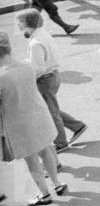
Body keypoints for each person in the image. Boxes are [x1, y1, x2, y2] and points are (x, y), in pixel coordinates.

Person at [0, 31, 69, 206]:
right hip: (39, 114)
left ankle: (44, 194)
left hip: (19, 122)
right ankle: (58, 184)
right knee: (47, 150)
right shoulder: (27, 65)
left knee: (32, 159)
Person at [19, 9, 87, 153]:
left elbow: (37, 68)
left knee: (51, 112)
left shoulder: (35, 43)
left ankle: (61, 142)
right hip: (53, 75)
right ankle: (77, 126)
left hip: (44, 80)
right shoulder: (42, 34)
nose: (18, 25)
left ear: (28, 23)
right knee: (50, 108)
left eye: (20, 22)